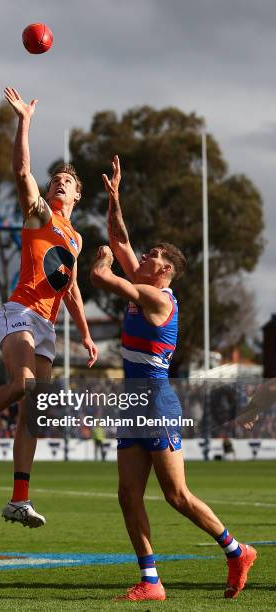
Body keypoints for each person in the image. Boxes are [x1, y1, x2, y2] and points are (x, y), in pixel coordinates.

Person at [90, 155, 257, 601]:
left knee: (177, 496)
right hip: (132, 406)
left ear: (164, 270)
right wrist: (115, 199)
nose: (142, 256)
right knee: (128, 495)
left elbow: (102, 275)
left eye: (151, 256)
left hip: (157, 404)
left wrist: (102, 261)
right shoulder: (146, 284)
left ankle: (237, 550)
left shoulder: (157, 298)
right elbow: (120, 237)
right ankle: (151, 581)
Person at [0, 87, 98, 528]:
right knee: (23, 385)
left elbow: (69, 289)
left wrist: (86, 333)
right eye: (55, 180)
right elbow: (22, 171)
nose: (58, 183)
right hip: (20, 313)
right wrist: (24, 122)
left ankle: (18, 499)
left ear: (76, 197)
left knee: (35, 412)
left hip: (48, 325)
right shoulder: (40, 216)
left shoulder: (75, 238)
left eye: (66, 182)